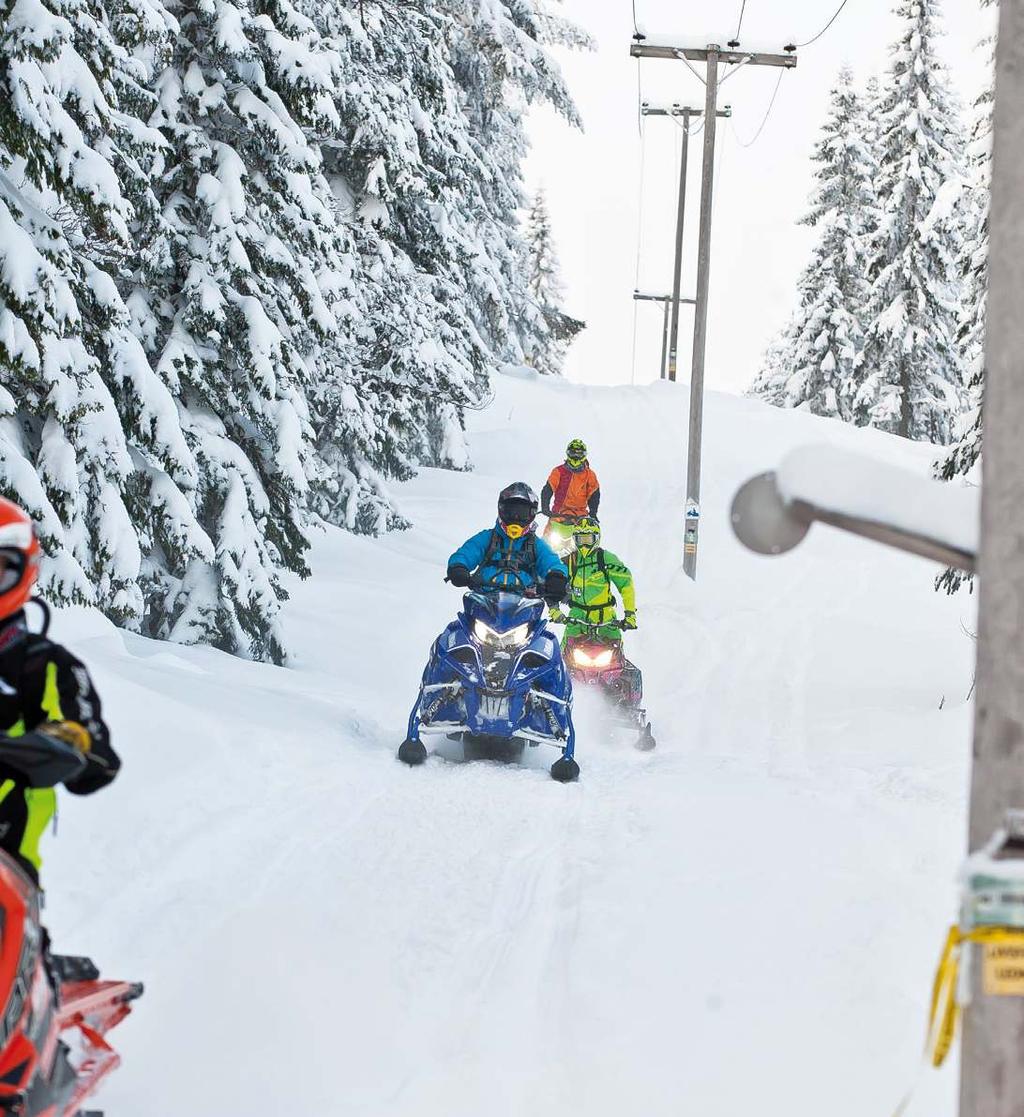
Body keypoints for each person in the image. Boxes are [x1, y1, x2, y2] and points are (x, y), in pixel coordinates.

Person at [0, 497, 119, 881]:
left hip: (7, 865)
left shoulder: (48, 667)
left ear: (21, 574)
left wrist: (71, 740)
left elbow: (99, 761)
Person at [447, 482, 568, 602]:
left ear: (532, 514)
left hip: (524, 604)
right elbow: (467, 552)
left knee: (540, 622)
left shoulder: (536, 544)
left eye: (522, 514)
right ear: (501, 509)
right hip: (484, 600)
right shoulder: (487, 537)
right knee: (461, 622)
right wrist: (458, 567)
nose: (516, 518)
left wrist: (556, 577)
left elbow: (551, 561)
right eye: (511, 512)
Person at [550, 517, 636, 640]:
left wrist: (630, 614)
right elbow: (553, 582)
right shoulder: (570, 561)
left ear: (596, 539)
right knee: (564, 654)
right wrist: (554, 609)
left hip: (605, 619)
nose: (584, 544)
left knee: (616, 653)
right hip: (577, 618)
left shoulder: (606, 558)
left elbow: (626, 584)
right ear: (575, 540)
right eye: (580, 540)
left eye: (588, 539)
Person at [541, 438, 600, 523]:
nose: (576, 456)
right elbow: (548, 489)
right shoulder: (558, 471)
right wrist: (545, 508)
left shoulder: (590, 475)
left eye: (579, 454)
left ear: (584, 455)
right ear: (568, 453)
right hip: (558, 515)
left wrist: (593, 513)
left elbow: (594, 495)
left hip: (580, 517)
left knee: (591, 533)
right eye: (573, 453)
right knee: (547, 536)